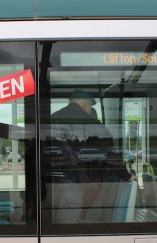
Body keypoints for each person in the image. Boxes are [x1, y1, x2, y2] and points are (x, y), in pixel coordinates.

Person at [49, 90, 127, 221]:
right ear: (86, 104)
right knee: (75, 210)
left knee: (63, 210)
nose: (90, 110)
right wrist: (127, 175)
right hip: (79, 178)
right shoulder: (91, 123)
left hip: (56, 176)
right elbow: (108, 154)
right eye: (90, 107)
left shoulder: (52, 118)